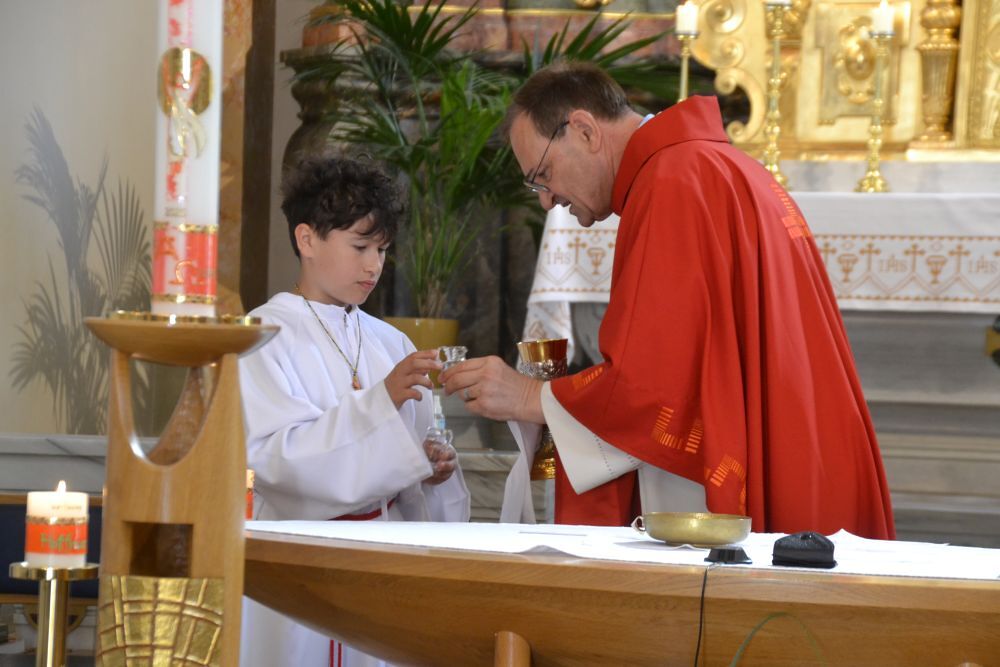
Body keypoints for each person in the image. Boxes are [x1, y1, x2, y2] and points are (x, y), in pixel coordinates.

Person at [440, 62, 895, 540]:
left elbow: (652, 386)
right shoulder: (710, 166)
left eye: (543, 174)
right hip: (801, 441)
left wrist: (528, 396)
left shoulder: (673, 181)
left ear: (585, 130)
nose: (546, 201)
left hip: (779, 454)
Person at [239, 156, 471, 667]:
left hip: (381, 569)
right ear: (307, 239)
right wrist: (381, 401)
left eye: (382, 250)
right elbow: (276, 461)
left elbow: (413, 471)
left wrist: (430, 468)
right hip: (297, 572)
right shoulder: (261, 335)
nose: (374, 266)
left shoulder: (391, 342)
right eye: (360, 247)